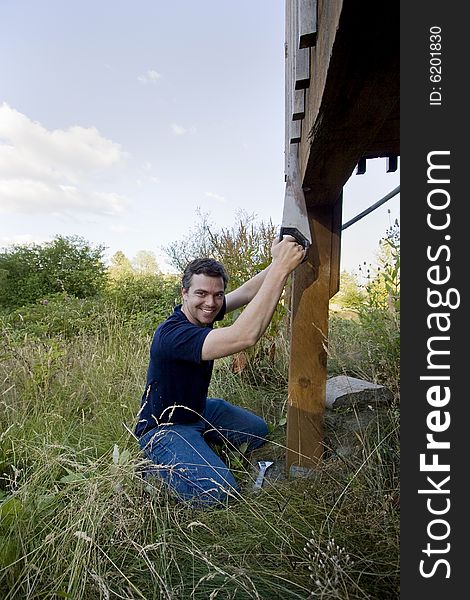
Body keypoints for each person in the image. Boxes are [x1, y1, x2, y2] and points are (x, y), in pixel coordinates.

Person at [135, 235, 305, 507]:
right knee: (219, 493)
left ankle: (197, 442)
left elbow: (249, 292)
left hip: (197, 409)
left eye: (218, 295)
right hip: (164, 427)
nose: (211, 303)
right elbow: (244, 336)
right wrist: (283, 269)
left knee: (257, 431)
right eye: (201, 294)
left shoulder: (207, 310)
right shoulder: (173, 334)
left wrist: (277, 261)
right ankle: (154, 467)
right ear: (184, 293)